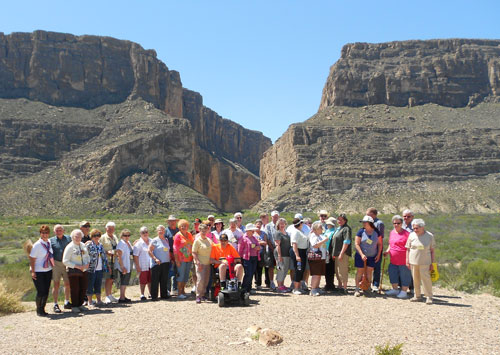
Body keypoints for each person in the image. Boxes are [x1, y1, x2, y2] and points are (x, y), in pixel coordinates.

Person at [406, 219, 436, 304]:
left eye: (417, 228)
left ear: (422, 227)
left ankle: (429, 296)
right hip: (413, 262)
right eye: (414, 228)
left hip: (425, 262)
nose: (415, 230)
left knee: (426, 279)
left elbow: (432, 250)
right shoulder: (411, 235)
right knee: (415, 279)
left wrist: (433, 263)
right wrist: (407, 260)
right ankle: (417, 296)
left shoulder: (429, 236)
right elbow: (407, 249)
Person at [354, 216, 382, 297]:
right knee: (360, 271)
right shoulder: (361, 231)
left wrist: (378, 254)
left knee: (369, 272)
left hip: (372, 256)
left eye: (365, 222)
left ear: (370, 223)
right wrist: (362, 254)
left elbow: (380, 244)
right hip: (361, 256)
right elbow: (357, 244)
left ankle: (367, 288)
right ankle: (357, 289)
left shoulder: (376, 232)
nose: (363, 223)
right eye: (363, 222)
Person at [63, 229, 90, 313]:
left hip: (84, 269)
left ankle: (80, 304)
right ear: (72, 237)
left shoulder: (82, 245)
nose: (78, 238)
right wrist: (77, 266)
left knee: (83, 287)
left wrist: (87, 264)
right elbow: (65, 261)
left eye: (79, 236)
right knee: (75, 288)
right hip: (73, 270)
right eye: (76, 236)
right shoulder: (69, 247)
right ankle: (74, 305)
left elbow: (87, 256)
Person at [384, 215, 411, 299]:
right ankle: (395, 289)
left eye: (398, 223)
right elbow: (390, 244)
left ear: (401, 223)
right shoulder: (392, 232)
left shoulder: (407, 234)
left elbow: (409, 247)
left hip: (403, 259)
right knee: (393, 273)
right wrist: (387, 251)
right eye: (394, 223)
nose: (396, 225)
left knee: (405, 275)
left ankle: (404, 291)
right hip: (393, 259)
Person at [29, 225, 54, 316]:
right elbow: (32, 258)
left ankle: (43, 308)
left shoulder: (49, 242)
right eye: (43, 233)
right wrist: (33, 271)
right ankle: (38, 309)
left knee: (46, 290)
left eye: (46, 233)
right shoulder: (37, 245)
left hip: (48, 269)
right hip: (38, 270)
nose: (45, 235)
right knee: (41, 291)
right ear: (40, 234)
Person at [49, 224, 71, 313]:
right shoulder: (51, 241)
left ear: (63, 230)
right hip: (56, 264)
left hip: (67, 263)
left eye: (60, 230)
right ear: (54, 232)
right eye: (57, 230)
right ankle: (55, 304)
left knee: (67, 283)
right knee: (56, 284)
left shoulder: (69, 239)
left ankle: (67, 301)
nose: (59, 232)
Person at [85, 229, 108, 306]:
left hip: (100, 268)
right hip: (91, 268)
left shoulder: (100, 245)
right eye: (94, 235)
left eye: (98, 235)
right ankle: (90, 301)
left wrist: (106, 265)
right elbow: (85, 255)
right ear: (91, 236)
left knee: (98, 284)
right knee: (90, 285)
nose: (96, 237)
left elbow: (104, 256)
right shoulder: (88, 245)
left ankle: (99, 300)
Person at [148, 225, 172, 300]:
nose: (161, 231)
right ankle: (154, 296)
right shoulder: (154, 240)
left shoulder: (166, 240)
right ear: (157, 231)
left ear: (164, 231)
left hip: (166, 262)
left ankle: (164, 295)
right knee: (155, 280)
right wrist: (155, 259)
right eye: (159, 230)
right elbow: (149, 251)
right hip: (157, 263)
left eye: (162, 230)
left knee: (164, 279)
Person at [192, 223, 213, 303]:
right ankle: (198, 296)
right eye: (202, 231)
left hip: (208, 263)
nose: (204, 232)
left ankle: (203, 294)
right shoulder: (197, 241)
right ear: (199, 231)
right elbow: (194, 252)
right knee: (200, 280)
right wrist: (197, 262)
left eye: (205, 231)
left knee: (206, 280)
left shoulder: (209, 240)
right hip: (200, 263)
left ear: (207, 231)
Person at [173, 219, 194, 299]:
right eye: (182, 226)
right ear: (179, 227)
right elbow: (175, 248)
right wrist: (177, 260)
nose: (184, 227)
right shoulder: (178, 235)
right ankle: (179, 292)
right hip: (181, 259)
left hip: (189, 258)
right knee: (181, 276)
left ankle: (183, 290)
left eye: (185, 226)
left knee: (186, 276)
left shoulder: (189, 234)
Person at [332, 213, 352, 294]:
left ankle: (344, 288)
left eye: (341, 220)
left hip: (342, 253)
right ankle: (340, 286)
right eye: (338, 219)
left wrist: (341, 253)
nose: (339, 221)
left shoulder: (346, 229)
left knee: (342, 270)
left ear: (345, 220)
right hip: (336, 253)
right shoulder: (338, 228)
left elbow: (346, 241)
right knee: (337, 270)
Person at [238, 223, 261, 294]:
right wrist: (239, 258)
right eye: (252, 230)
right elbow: (240, 249)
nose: (253, 231)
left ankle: (249, 288)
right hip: (246, 258)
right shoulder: (243, 238)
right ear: (248, 231)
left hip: (254, 257)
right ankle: (244, 288)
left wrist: (258, 248)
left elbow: (258, 246)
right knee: (248, 273)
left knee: (251, 273)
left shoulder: (254, 238)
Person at [367, 208, 385, 292]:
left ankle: (375, 284)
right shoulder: (368, 222)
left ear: (373, 214)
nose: (367, 216)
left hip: (377, 247)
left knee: (377, 266)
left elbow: (380, 238)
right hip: (368, 248)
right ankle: (366, 283)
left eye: (368, 214)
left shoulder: (379, 223)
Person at [101, 221, 119, 304]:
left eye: (112, 228)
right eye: (109, 228)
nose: (111, 230)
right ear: (106, 229)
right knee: (108, 278)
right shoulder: (103, 237)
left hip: (114, 260)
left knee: (112, 278)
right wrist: (107, 252)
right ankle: (107, 296)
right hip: (106, 260)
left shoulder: (114, 237)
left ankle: (110, 294)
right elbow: (100, 249)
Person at [308, 221, 328, 296]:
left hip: (321, 257)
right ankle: (313, 289)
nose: (321, 229)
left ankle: (317, 287)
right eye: (320, 228)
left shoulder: (320, 235)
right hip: (316, 257)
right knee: (316, 274)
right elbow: (315, 245)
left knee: (319, 274)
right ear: (316, 229)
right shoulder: (313, 235)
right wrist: (324, 241)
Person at [290, 218, 309, 295]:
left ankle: (299, 287)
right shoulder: (295, 232)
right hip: (298, 251)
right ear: (300, 224)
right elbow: (294, 244)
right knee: (298, 269)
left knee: (302, 269)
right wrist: (297, 255)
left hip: (303, 251)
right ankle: (296, 288)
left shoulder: (300, 232)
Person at [134, 226, 152, 301]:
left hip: (151, 264)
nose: (145, 234)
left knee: (150, 279)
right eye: (143, 232)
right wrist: (137, 266)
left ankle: (151, 293)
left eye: (146, 232)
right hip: (142, 264)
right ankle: (142, 294)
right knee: (143, 280)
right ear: (140, 234)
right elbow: (135, 256)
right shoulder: (138, 243)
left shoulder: (152, 241)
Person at [274, 218, 292, 293]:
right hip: (280, 254)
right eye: (280, 224)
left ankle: (282, 284)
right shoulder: (278, 233)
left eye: (283, 223)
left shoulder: (286, 233)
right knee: (281, 269)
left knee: (285, 270)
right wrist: (279, 256)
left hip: (287, 254)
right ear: (278, 225)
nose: (282, 225)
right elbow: (277, 245)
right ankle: (279, 286)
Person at [115, 229, 132, 303]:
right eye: (125, 235)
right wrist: (122, 266)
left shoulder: (127, 243)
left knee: (125, 282)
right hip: (123, 265)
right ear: (122, 236)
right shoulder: (121, 244)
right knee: (123, 281)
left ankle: (123, 296)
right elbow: (119, 256)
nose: (127, 237)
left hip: (127, 264)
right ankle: (121, 297)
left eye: (128, 235)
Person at [165, 215, 179, 296]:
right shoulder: (166, 231)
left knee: (177, 272)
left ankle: (175, 288)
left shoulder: (178, 230)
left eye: (174, 221)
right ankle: (168, 289)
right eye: (171, 221)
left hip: (178, 254)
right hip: (169, 253)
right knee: (169, 272)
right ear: (168, 222)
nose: (172, 222)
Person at [254, 219, 270, 290]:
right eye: (257, 224)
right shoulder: (253, 233)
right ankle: (257, 282)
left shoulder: (264, 233)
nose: (258, 226)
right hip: (254, 253)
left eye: (260, 224)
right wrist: (260, 242)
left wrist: (257, 242)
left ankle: (262, 283)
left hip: (262, 253)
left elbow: (265, 242)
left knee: (261, 268)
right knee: (255, 269)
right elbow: (252, 243)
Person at [323, 217, 338, 292]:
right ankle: (328, 284)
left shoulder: (334, 232)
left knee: (330, 269)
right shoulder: (327, 231)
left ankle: (330, 284)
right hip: (325, 251)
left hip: (330, 251)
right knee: (327, 269)